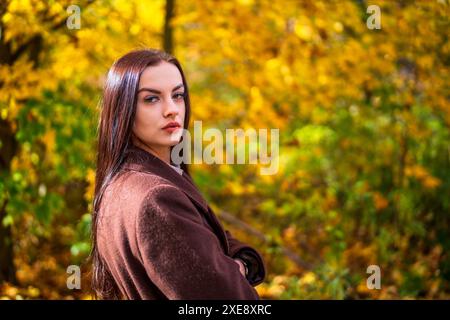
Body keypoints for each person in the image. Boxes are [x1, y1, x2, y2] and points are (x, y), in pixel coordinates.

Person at [91, 48, 266, 299]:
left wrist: (240, 263)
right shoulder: (156, 198)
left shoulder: (123, 182)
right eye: (151, 99)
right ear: (124, 109)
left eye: (178, 95)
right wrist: (232, 271)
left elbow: (210, 240)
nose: (172, 109)